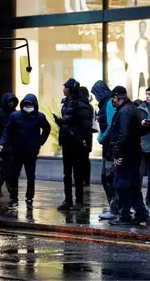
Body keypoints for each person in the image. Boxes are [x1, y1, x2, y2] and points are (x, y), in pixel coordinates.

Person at [0, 94, 51, 208]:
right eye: (26, 104)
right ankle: (14, 197)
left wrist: (40, 142)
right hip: (17, 151)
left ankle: (29, 197)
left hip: (31, 152)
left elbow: (47, 129)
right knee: (14, 175)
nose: (28, 106)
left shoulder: (39, 117)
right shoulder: (15, 116)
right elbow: (7, 130)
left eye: (30, 104)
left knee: (30, 175)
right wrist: (2, 143)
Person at [107, 86, 148, 225]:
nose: (112, 102)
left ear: (116, 98)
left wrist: (117, 153)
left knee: (122, 185)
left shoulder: (124, 111)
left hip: (126, 154)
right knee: (133, 185)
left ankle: (124, 216)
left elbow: (123, 134)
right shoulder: (132, 109)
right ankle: (141, 213)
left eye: (113, 99)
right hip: (133, 153)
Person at [54, 78, 93, 210]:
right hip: (67, 142)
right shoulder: (67, 102)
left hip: (76, 144)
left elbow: (85, 125)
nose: (64, 89)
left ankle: (79, 201)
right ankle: (68, 200)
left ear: (71, 89)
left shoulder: (80, 103)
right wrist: (61, 123)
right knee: (67, 173)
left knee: (77, 173)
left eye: (66, 87)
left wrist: (77, 137)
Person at [91, 80, 119, 220]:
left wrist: (101, 138)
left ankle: (115, 210)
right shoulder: (105, 103)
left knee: (109, 179)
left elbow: (110, 125)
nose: (95, 98)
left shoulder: (108, 103)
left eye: (95, 94)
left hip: (110, 147)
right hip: (108, 147)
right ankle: (115, 209)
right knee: (107, 178)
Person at [0, 93, 19, 198]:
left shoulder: (15, 114)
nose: (11, 104)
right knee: (4, 168)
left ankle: (7, 187)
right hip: (2, 145)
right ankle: (5, 187)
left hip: (12, 145)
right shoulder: (0, 113)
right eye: (10, 101)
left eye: (13, 102)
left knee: (8, 168)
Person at [138, 87, 150, 213]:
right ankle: (138, 204)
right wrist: (141, 123)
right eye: (146, 94)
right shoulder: (140, 109)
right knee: (138, 177)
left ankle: (149, 202)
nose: (147, 96)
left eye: (149, 94)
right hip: (142, 147)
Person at [79, 86, 94, 187]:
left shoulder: (86, 106)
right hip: (86, 135)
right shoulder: (89, 106)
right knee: (84, 158)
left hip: (84, 135)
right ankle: (84, 179)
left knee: (83, 158)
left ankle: (84, 179)